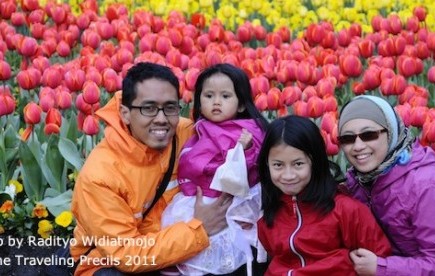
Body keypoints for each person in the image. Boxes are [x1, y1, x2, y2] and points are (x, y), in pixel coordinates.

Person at [70, 62, 232, 275]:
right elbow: (126, 254)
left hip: (176, 250)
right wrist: (199, 229)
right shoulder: (100, 176)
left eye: (170, 107)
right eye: (149, 108)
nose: (162, 119)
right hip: (111, 261)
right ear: (125, 113)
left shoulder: (188, 134)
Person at [338, 95, 435, 275]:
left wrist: (380, 267)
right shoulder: (355, 184)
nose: (357, 146)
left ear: (391, 133)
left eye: (369, 135)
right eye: (347, 138)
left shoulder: (429, 186)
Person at [161, 63, 268, 275]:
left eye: (225, 96)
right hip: (196, 200)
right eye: (208, 96)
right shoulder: (196, 130)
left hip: (230, 202)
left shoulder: (246, 133)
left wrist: (244, 150)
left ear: (240, 104)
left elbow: (248, 170)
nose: (216, 102)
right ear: (198, 101)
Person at [257, 115, 391, 276]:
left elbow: (379, 261)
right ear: (267, 165)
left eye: (298, 164)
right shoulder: (269, 217)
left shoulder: (346, 210)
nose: (288, 175)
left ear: (315, 161)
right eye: (278, 165)